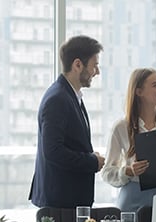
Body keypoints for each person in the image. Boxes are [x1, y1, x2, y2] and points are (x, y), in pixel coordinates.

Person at [29, 35, 106, 209]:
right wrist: (92, 161)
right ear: (78, 65)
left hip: (67, 200)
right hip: (61, 203)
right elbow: (53, 151)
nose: (97, 72)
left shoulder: (69, 96)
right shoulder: (58, 99)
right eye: (95, 65)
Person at [101, 68, 156, 213]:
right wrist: (129, 171)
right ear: (139, 91)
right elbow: (107, 173)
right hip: (132, 200)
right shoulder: (121, 127)